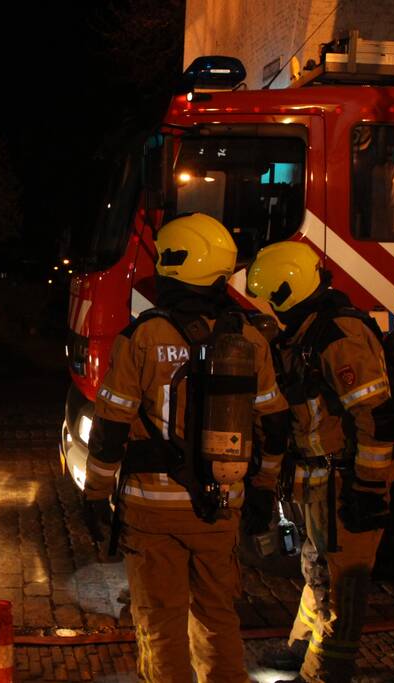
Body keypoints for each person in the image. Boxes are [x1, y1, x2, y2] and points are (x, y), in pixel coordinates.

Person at [83, 213, 289, 683]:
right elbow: (274, 423)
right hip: (220, 505)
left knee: (161, 623)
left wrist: (95, 493)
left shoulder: (143, 337)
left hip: (151, 512)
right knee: (218, 619)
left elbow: (111, 426)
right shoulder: (250, 339)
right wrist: (263, 487)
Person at [245, 241, 394, 683]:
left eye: (273, 299)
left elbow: (375, 417)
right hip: (317, 479)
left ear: (289, 290)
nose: (272, 309)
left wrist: (369, 487)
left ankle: (326, 671)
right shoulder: (308, 332)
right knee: (317, 571)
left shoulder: (339, 337)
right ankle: (302, 648)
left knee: (344, 587)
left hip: (347, 479)